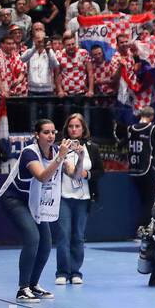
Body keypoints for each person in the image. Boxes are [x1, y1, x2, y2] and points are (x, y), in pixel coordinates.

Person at [0, 118, 76, 301]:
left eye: (53, 132)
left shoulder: (56, 152)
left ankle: (33, 284)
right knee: (33, 238)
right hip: (14, 199)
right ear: (37, 135)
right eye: (46, 132)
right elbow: (42, 176)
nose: (51, 136)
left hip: (34, 201)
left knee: (46, 243)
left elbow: (74, 173)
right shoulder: (29, 153)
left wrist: (78, 159)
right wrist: (60, 157)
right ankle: (22, 288)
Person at [53, 112, 104, 286]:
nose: (74, 129)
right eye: (71, 126)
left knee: (78, 236)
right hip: (63, 197)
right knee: (63, 235)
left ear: (83, 129)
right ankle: (62, 272)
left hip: (84, 198)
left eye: (77, 126)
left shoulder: (92, 147)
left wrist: (87, 174)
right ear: (66, 129)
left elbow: (100, 171)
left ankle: (76, 272)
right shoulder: (60, 147)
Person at [122, 106, 155, 217]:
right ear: (151, 116)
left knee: (142, 200)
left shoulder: (130, 128)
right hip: (147, 168)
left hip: (134, 169)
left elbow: (122, 144)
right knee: (149, 201)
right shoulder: (152, 128)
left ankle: (142, 226)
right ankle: (144, 227)